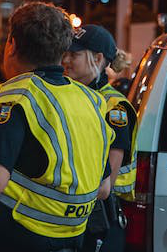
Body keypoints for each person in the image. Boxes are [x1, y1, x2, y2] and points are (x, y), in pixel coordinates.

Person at [0, 1, 114, 252]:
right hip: (72, 240)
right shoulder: (91, 100)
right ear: (61, 51)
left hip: (5, 239)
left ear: (12, 45)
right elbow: (103, 188)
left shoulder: (16, 98)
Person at [62, 24, 137, 252]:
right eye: (65, 53)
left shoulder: (114, 107)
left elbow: (106, 187)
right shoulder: (71, 98)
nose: (65, 60)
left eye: (74, 54)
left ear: (97, 58)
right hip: (75, 218)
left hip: (100, 223)